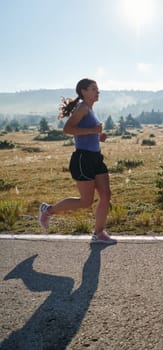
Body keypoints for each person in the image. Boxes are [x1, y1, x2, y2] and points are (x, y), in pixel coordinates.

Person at [38, 78, 115, 244]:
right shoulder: (81, 108)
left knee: (106, 195)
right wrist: (93, 130)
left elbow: (86, 132)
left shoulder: (90, 109)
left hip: (96, 157)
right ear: (84, 92)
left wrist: (97, 135)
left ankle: (98, 233)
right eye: (93, 89)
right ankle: (48, 210)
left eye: (97, 88)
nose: (97, 91)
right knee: (86, 201)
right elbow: (67, 129)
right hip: (83, 158)